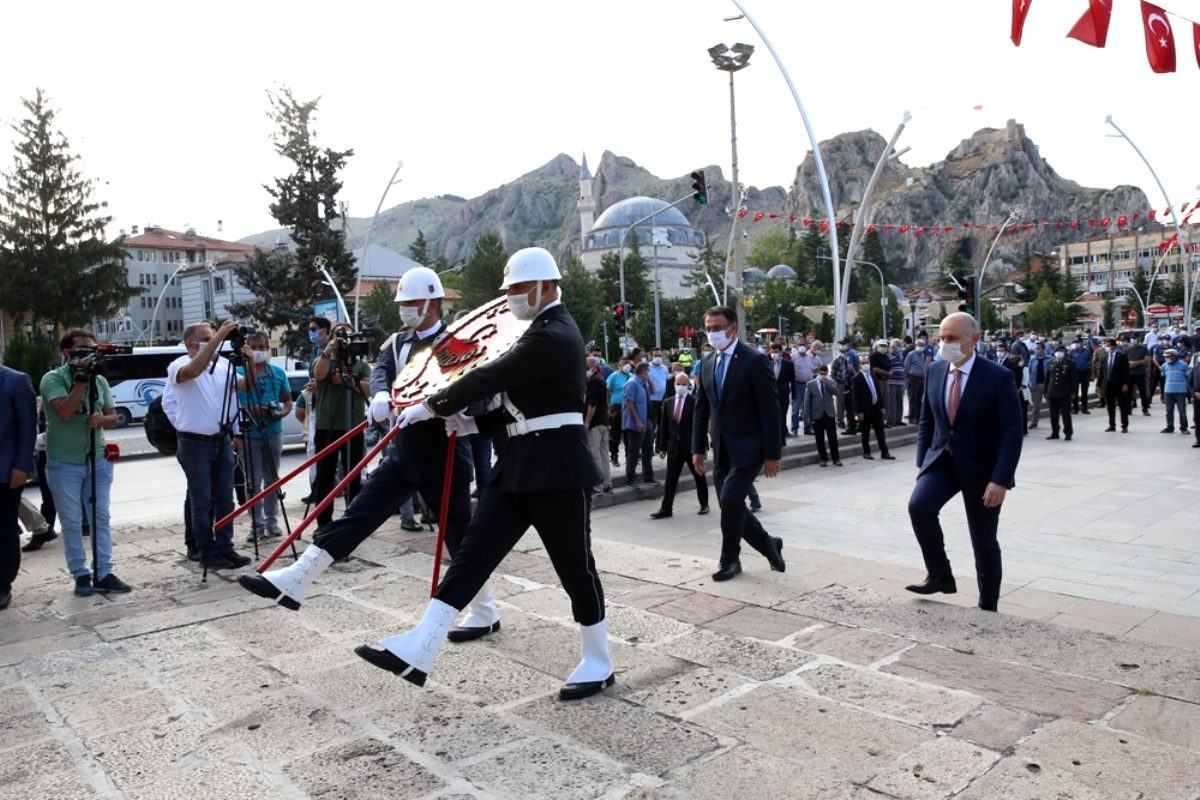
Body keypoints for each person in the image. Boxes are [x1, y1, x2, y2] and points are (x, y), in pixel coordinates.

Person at [354, 247, 613, 701]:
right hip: (516, 465)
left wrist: (430, 404)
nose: (511, 297)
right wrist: (475, 423)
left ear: (547, 286)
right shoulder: (536, 330)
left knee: (575, 567)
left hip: (556, 469)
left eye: (518, 288)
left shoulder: (554, 333)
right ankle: (421, 644)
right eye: (508, 289)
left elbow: (494, 376)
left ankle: (598, 659)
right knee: (473, 555)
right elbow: (528, 406)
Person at [240, 268, 496, 638]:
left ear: (434, 303)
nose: (406, 309)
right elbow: (382, 371)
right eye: (403, 303)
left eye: (413, 303)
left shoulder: (457, 341)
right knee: (357, 515)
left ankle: (485, 609)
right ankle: (296, 578)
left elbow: (476, 392)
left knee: (459, 538)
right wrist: (378, 393)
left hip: (445, 453)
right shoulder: (396, 342)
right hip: (404, 451)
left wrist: (436, 405)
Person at [906, 312, 1023, 612]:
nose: (945, 344)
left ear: (975, 338)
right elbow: (926, 423)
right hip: (942, 460)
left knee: (983, 540)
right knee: (919, 506)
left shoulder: (998, 377)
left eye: (952, 338)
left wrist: (1000, 480)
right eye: (941, 338)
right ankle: (940, 574)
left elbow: (1012, 434)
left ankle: (987, 605)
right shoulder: (935, 371)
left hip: (983, 470)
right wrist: (922, 465)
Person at [691, 305, 786, 582]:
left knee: (731, 499)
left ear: (733, 328)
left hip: (750, 447)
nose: (712, 333)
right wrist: (698, 448)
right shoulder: (707, 361)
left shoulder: (754, 360)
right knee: (729, 504)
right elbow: (701, 408)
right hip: (721, 447)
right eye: (708, 329)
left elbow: (771, 409)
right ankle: (768, 543)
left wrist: (772, 453)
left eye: (717, 328)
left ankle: (729, 559)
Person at [41, 330, 132, 595]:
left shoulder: (99, 381)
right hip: (64, 463)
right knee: (71, 521)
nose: (89, 355)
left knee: (100, 518)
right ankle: (80, 574)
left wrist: (102, 420)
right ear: (67, 353)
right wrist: (81, 379)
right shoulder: (53, 379)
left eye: (92, 349)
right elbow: (65, 412)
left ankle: (103, 571)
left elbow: (113, 416)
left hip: (97, 460)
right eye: (82, 350)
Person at [164, 320, 252, 569]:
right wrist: (220, 336)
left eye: (213, 337)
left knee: (226, 499)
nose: (213, 341)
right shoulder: (179, 365)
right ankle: (205, 550)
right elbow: (192, 372)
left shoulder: (223, 366)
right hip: (194, 444)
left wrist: (251, 363)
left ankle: (226, 547)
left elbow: (247, 385)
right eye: (206, 338)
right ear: (191, 342)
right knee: (202, 500)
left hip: (220, 440)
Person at [310, 322, 372, 528]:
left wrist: (348, 380)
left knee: (353, 475)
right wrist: (328, 353)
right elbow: (319, 375)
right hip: (327, 425)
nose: (344, 340)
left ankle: (353, 520)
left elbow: (368, 388)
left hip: (352, 425)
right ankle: (324, 521)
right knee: (325, 476)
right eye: (339, 336)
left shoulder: (360, 364)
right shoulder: (326, 359)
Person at [235, 332, 292, 541]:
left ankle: (272, 521)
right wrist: (251, 409)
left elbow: (287, 401)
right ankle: (255, 524)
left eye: (262, 347)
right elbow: (233, 403)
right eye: (254, 347)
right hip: (249, 433)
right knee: (252, 481)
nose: (258, 351)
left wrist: (280, 412)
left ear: (268, 348)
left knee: (272, 479)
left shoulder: (277, 372)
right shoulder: (239, 373)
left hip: (273, 431)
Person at [0, 363, 36, 609]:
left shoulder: (15, 381)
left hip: (5, 471)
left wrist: (22, 466)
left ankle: (3, 585)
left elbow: (27, 428)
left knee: (3, 530)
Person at [650, 371, 709, 519]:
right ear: (674, 384)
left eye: (683, 384)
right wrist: (661, 447)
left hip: (691, 448)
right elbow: (664, 427)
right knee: (670, 480)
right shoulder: (668, 403)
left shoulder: (694, 401)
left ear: (688, 385)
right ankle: (666, 508)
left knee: (699, 477)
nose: (680, 387)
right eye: (678, 384)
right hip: (674, 448)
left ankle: (704, 504)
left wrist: (702, 448)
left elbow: (700, 427)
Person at [850, 361, 893, 461]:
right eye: (864, 363)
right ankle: (866, 452)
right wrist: (859, 411)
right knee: (865, 432)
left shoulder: (873, 375)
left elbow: (877, 391)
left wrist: (882, 406)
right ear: (860, 365)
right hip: (865, 410)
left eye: (868, 363)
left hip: (876, 407)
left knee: (880, 431)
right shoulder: (856, 378)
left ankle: (884, 452)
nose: (866, 365)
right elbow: (855, 397)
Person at [622, 362, 655, 487]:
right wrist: (637, 421)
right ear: (643, 371)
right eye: (648, 371)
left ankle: (649, 476)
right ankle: (630, 478)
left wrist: (650, 381)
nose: (649, 374)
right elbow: (629, 403)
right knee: (634, 451)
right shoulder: (632, 384)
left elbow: (654, 391)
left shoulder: (642, 383)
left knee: (648, 449)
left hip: (646, 421)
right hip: (636, 423)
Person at [803, 365, 841, 467]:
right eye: (821, 374)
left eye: (825, 374)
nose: (823, 376)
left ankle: (836, 458)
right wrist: (807, 415)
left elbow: (837, 392)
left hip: (829, 413)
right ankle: (823, 458)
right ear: (817, 373)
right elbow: (806, 401)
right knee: (819, 438)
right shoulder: (810, 384)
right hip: (816, 414)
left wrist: (827, 382)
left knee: (832, 437)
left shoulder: (830, 381)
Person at [584, 356, 612, 493]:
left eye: (587, 368)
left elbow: (592, 404)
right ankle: (607, 483)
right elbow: (605, 401)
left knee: (595, 454)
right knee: (604, 454)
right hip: (603, 422)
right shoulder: (601, 379)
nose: (585, 371)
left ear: (594, 367)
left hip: (595, 423)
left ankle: (598, 486)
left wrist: (587, 422)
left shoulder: (594, 381)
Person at [1098, 337, 1132, 433]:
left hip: (1119, 384)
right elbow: (1101, 373)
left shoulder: (1121, 357)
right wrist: (1098, 385)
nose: (1106, 347)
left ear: (1114, 346)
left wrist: (1126, 384)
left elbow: (1126, 372)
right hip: (1108, 384)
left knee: (1122, 405)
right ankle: (1112, 425)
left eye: (1108, 345)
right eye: (1105, 345)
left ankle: (1124, 425)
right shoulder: (1104, 358)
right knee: (1110, 406)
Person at [1043, 344, 1076, 441]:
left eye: (1061, 351)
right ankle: (1055, 432)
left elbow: (1074, 379)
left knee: (1066, 414)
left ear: (1065, 352)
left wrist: (1073, 392)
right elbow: (1048, 378)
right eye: (1057, 351)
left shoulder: (1070, 363)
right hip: (1052, 391)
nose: (1059, 353)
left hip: (1065, 392)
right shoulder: (1051, 362)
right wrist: (1046, 391)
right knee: (1053, 414)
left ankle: (1068, 433)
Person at [606, 357, 631, 467]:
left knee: (628, 433)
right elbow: (607, 392)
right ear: (619, 365)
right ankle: (614, 456)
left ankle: (628, 456)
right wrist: (607, 408)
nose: (627, 365)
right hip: (616, 408)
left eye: (628, 363)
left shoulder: (632, 376)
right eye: (624, 363)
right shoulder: (613, 376)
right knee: (615, 433)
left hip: (629, 408)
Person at [1160, 348, 1189, 435]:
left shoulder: (1183, 365)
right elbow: (1163, 376)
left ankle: (1184, 428)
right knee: (1169, 411)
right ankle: (1170, 427)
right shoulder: (1165, 365)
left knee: (1182, 411)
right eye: (1166, 356)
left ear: (1174, 356)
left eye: (1169, 356)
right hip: (1168, 391)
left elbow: (1188, 377)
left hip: (1180, 391)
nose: (1167, 358)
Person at [770, 344, 795, 446]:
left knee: (782, 417)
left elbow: (792, 381)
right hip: (771, 396)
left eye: (776, 351)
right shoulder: (768, 364)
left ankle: (781, 440)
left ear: (780, 352)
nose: (774, 354)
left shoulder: (788, 364)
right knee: (773, 418)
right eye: (772, 352)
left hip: (783, 395)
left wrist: (794, 396)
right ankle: (775, 439)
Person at [903, 338, 930, 426]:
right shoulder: (911, 354)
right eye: (919, 345)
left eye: (922, 345)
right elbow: (906, 367)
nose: (921, 347)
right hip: (912, 378)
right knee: (912, 398)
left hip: (921, 378)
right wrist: (907, 377)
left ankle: (918, 417)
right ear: (916, 345)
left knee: (919, 398)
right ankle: (912, 417)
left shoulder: (922, 354)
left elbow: (924, 365)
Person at [1026, 342, 1051, 430]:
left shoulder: (1050, 358)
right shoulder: (1032, 359)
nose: (1037, 350)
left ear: (1043, 349)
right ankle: (1034, 422)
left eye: (1038, 348)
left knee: (1051, 405)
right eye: (1036, 348)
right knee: (1036, 406)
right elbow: (1029, 371)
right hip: (1036, 385)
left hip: (1047, 385)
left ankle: (1054, 422)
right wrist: (1029, 383)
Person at [1125, 335, 1152, 415]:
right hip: (1130, 374)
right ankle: (1128, 409)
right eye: (1132, 338)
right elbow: (1123, 360)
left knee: (1142, 392)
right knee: (1128, 392)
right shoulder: (1127, 349)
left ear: (1139, 339)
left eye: (1135, 338)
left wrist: (1136, 363)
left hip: (1140, 373)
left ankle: (1145, 409)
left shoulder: (1143, 349)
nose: (1134, 340)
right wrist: (1128, 364)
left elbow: (1147, 360)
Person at [1069, 340, 1093, 414]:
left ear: (1083, 344)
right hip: (1075, 373)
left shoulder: (1087, 351)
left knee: (1084, 391)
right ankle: (1075, 408)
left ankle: (1084, 408)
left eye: (1080, 343)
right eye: (1077, 344)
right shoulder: (1072, 352)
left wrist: (1092, 374)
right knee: (1075, 391)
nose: (1078, 345)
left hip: (1085, 372)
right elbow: (1069, 362)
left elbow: (1091, 362)